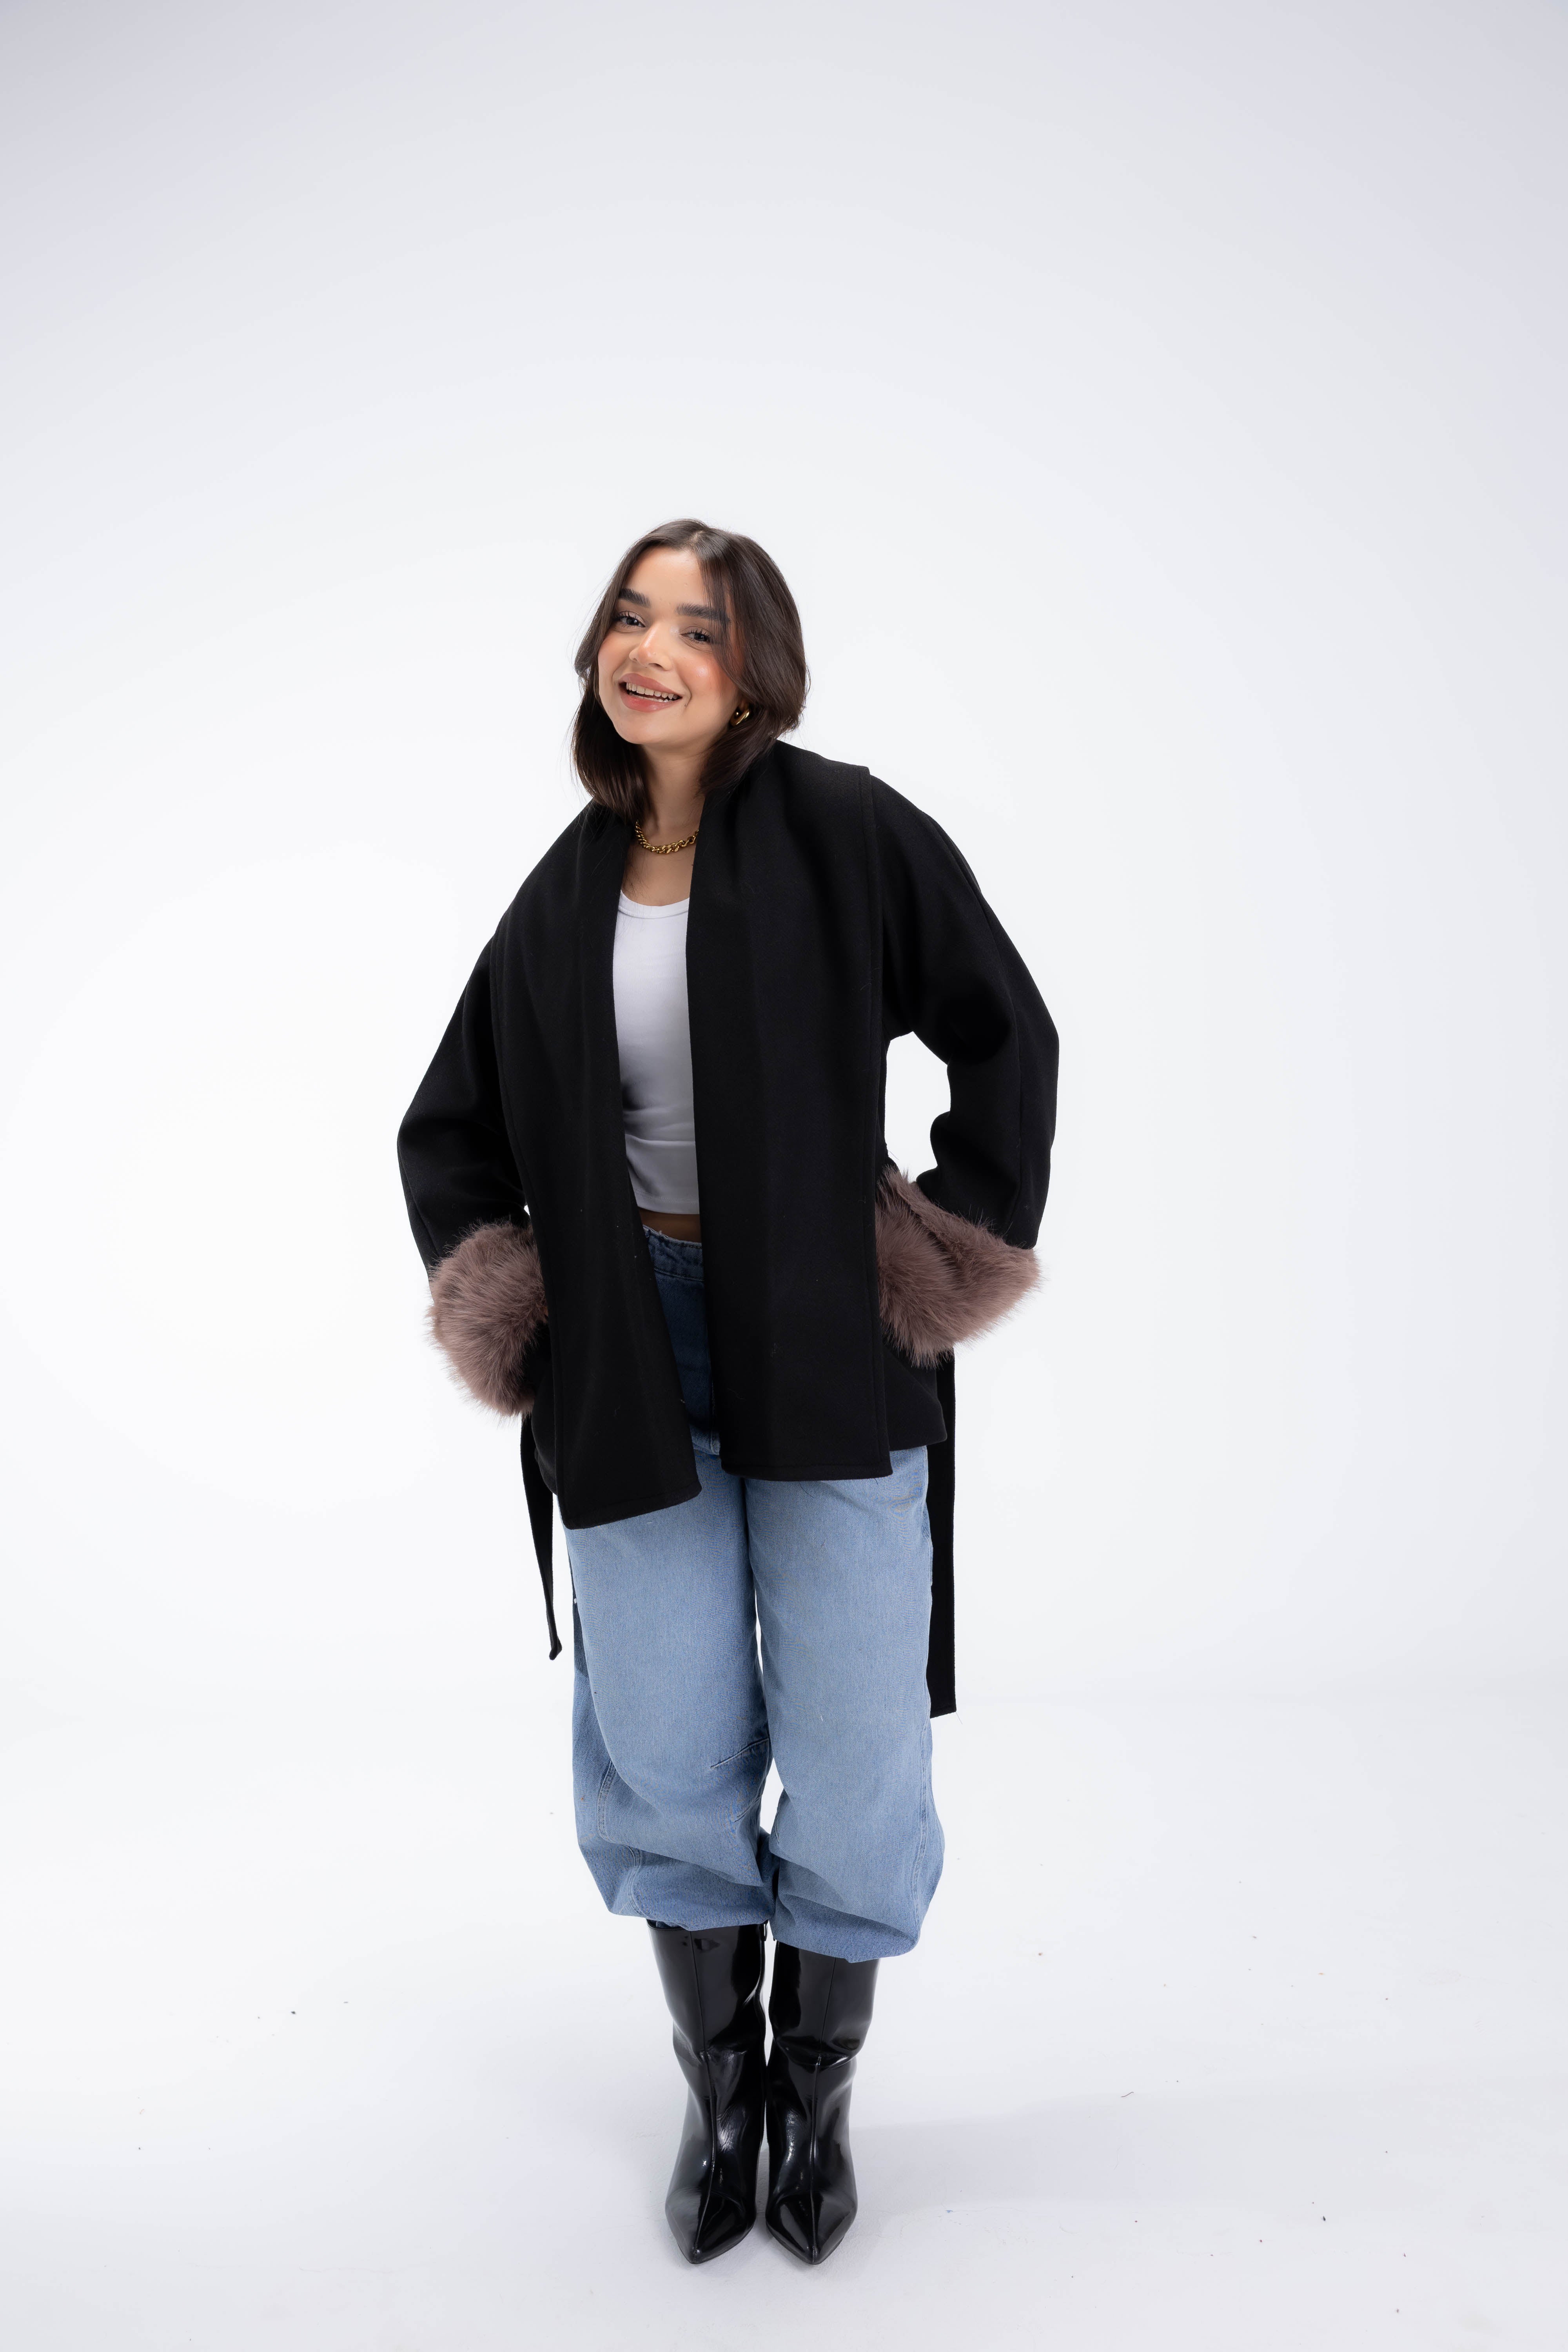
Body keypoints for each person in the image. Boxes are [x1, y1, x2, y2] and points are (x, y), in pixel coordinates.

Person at [397, 519, 1058, 2265]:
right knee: (666, 1740)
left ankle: (817, 2092)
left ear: (754, 662)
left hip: (827, 1337)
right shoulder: (565, 888)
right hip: (630, 1350)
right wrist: (520, 1305)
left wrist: (940, 1246)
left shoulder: (847, 827)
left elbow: (1006, 1030)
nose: (653, 649)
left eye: (695, 625)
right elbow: (447, 1127)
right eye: (630, 616)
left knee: (853, 1740)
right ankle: (722, 2085)